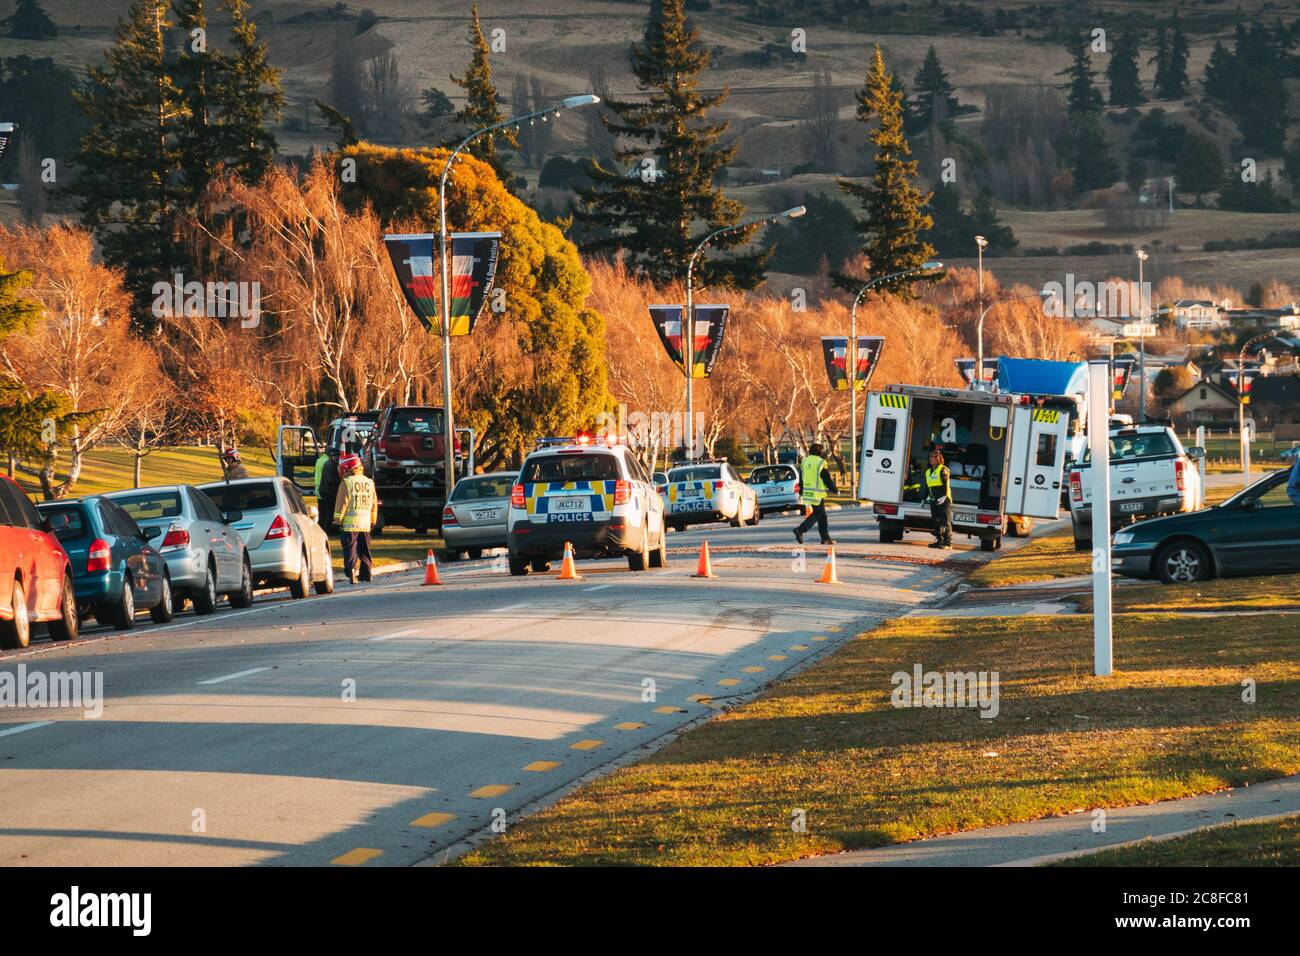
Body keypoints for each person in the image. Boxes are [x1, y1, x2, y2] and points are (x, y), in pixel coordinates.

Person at [333, 453, 377, 584]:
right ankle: (366, 573)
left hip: (350, 524)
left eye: (342, 468)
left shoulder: (346, 483)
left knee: (350, 549)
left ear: (349, 469)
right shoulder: (369, 482)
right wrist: (373, 521)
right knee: (364, 550)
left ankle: (352, 572)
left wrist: (337, 520)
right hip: (365, 523)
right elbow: (373, 504)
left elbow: (342, 503)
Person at [793, 442, 838, 545]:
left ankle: (825, 538)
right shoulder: (821, 462)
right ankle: (800, 530)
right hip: (817, 494)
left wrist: (801, 491)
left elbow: (801, 477)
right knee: (818, 514)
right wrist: (834, 489)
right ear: (820, 452)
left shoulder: (805, 461)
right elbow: (826, 478)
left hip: (807, 492)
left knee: (822, 516)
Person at [926, 448, 953, 549]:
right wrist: (929, 496)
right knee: (936, 520)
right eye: (930, 457)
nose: (932, 459)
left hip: (943, 499)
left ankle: (948, 542)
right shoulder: (928, 471)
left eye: (934, 457)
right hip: (934, 499)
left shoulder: (943, 469)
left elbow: (945, 484)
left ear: (939, 459)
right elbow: (930, 486)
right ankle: (939, 540)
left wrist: (944, 496)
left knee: (945, 521)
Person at [315, 446, 342, 533]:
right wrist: (340, 481)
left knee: (323, 511)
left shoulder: (321, 461)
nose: (338, 458)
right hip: (328, 491)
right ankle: (327, 529)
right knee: (328, 512)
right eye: (337, 456)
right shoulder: (331, 464)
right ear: (332, 455)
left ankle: (322, 528)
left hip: (321, 489)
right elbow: (330, 479)